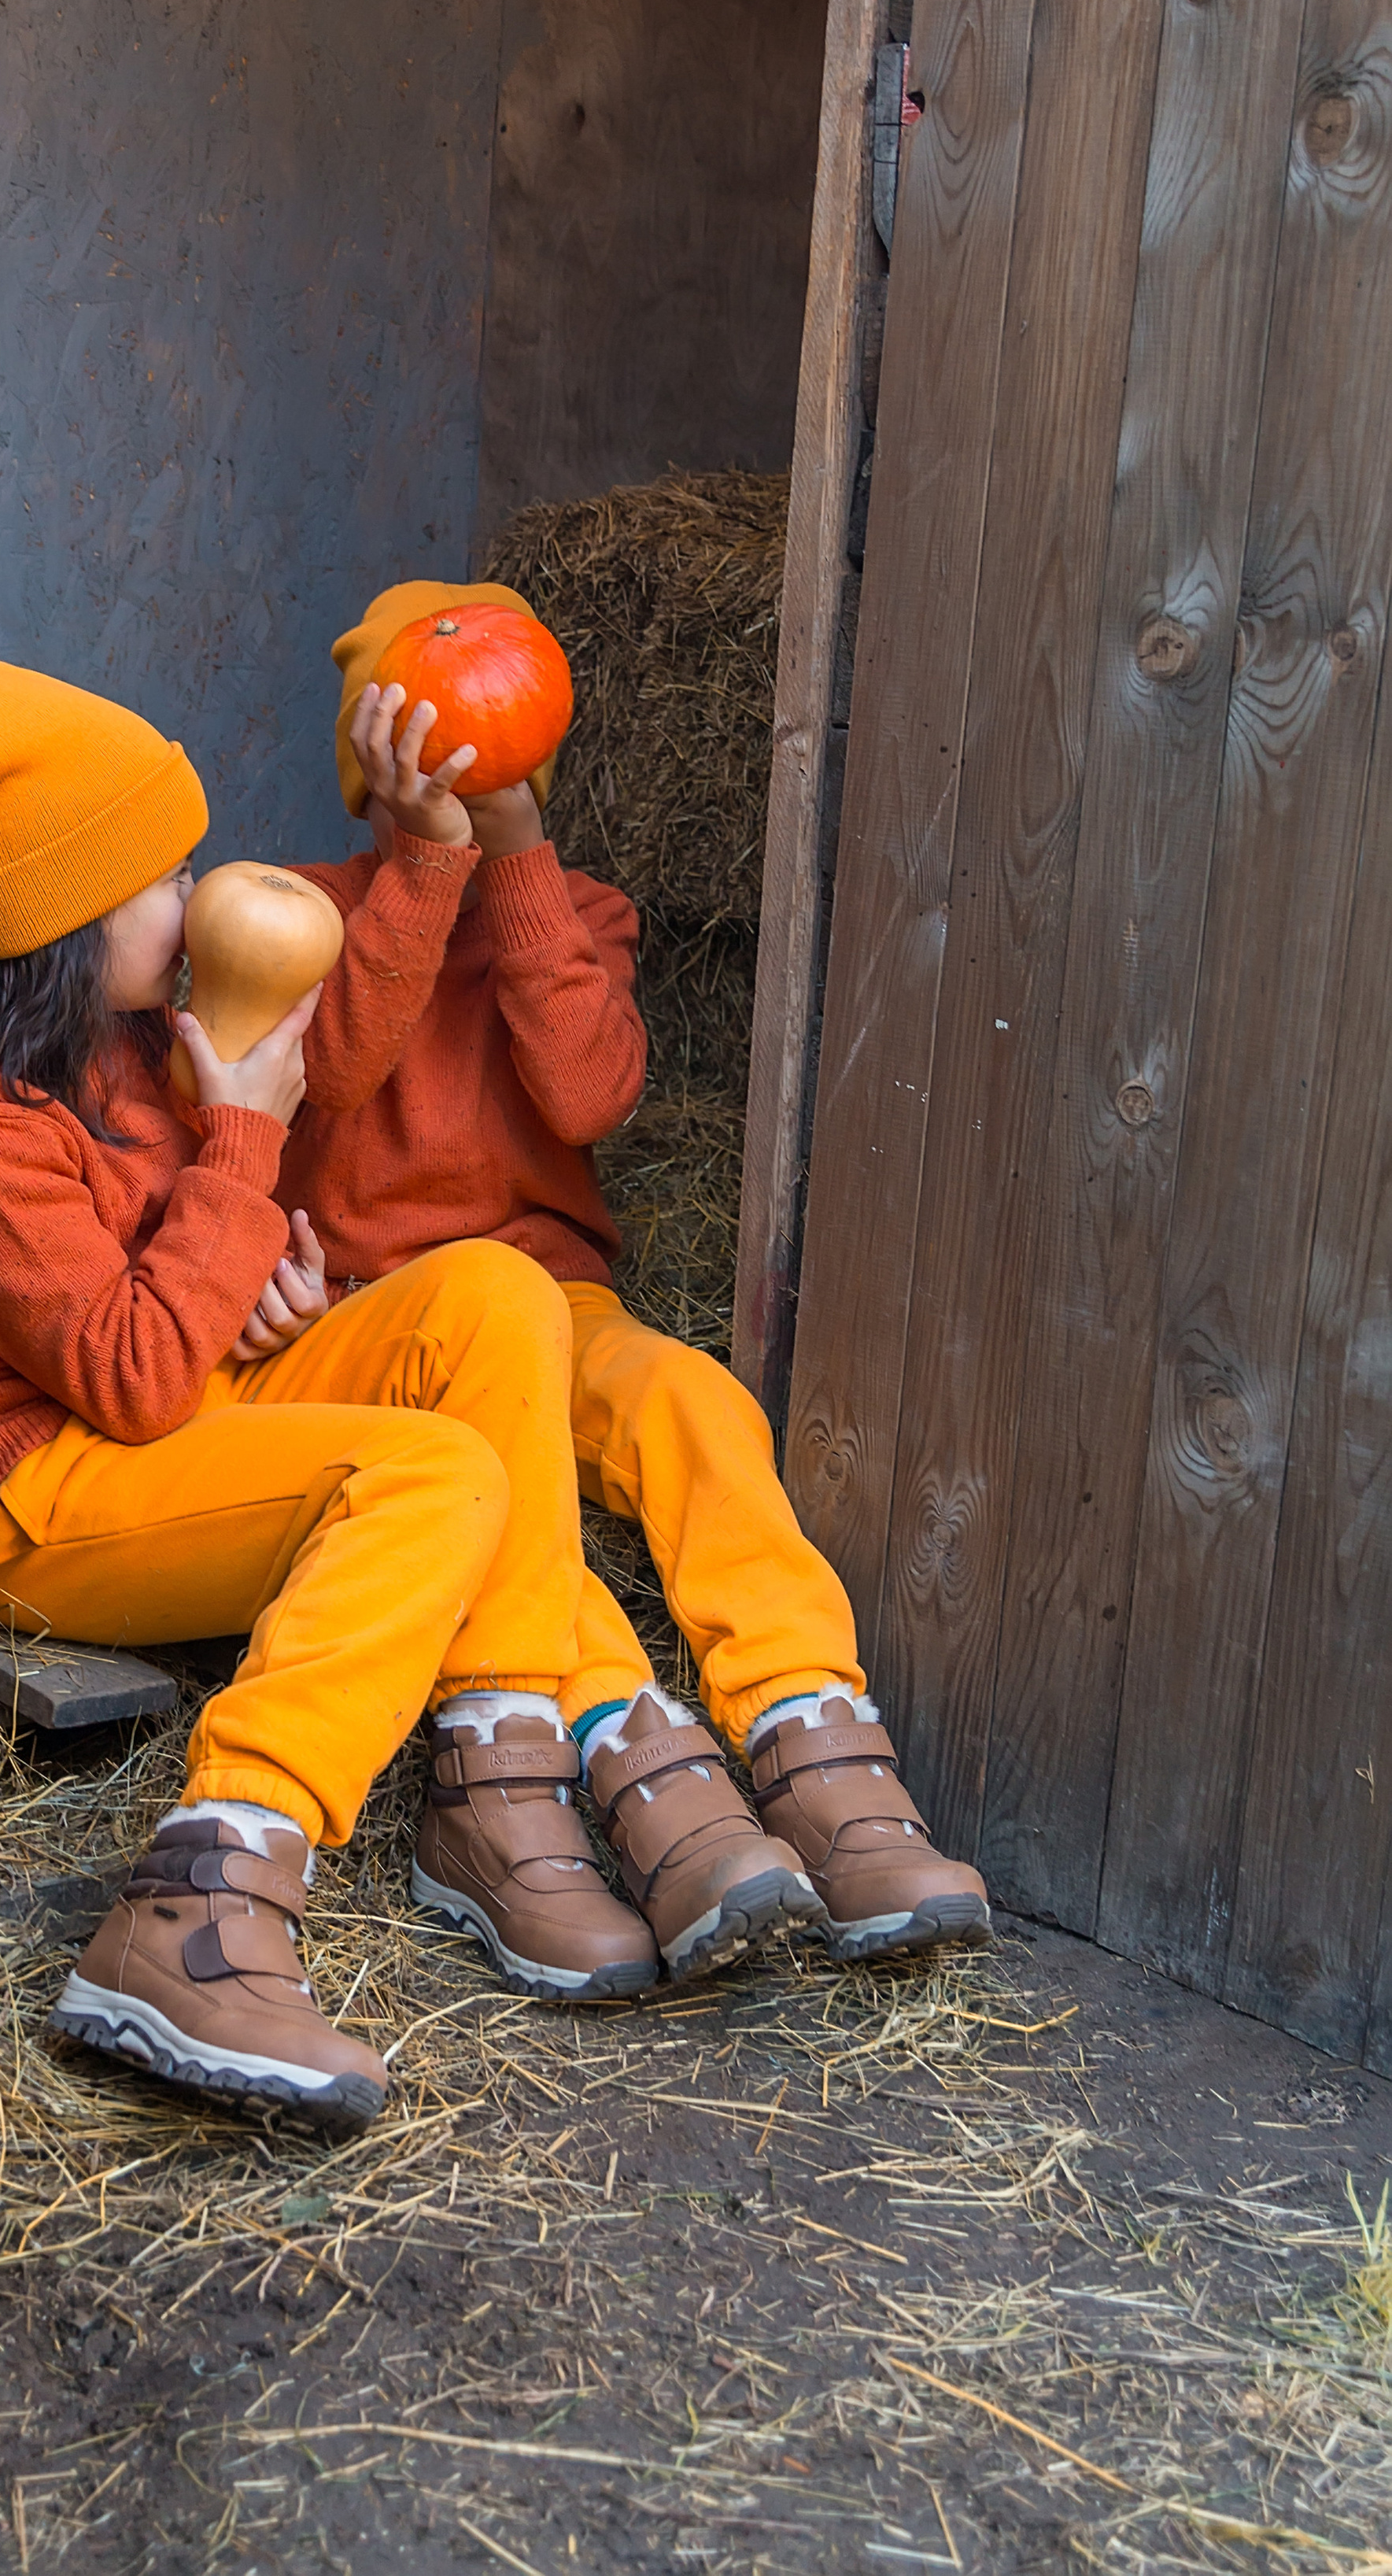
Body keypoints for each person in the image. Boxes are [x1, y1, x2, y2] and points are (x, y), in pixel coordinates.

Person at [0, 656, 800, 2135]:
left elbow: (187, 1275)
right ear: (56, 920)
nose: (190, 900)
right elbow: (125, 1377)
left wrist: (268, 1277)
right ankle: (201, 1901)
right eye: (159, 877)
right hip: (35, 1491)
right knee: (432, 1478)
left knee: (491, 1294)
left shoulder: (127, 1039)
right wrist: (240, 1158)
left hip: (182, 1409)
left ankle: (495, 1783)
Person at [275, 579, 992, 1968]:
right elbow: (339, 1069)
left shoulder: (576, 908)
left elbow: (591, 1093)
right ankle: (638, 1769)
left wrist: (517, 856)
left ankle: (816, 1744)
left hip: (558, 1301)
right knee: (518, 1502)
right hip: (398, 1324)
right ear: (372, 763)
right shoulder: (305, 913)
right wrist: (422, 871)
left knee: (697, 1404)